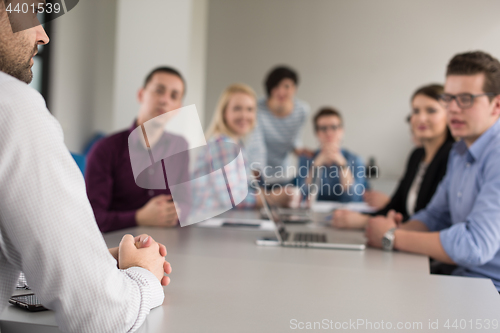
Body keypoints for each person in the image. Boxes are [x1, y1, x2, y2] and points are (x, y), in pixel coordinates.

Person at [0, 3, 171, 332]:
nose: (44, 35)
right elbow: (102, 317)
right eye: (28, 12)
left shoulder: (176, 151)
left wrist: (88, 262)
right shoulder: (13, 106)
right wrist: (145, 274)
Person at [366, 51, 500, 291]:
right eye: (449, 98)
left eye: (466, 99)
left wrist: (391, 237)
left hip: (490, 291)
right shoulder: (459, 152)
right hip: (458, 279)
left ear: (496, 105)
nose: (454, 109)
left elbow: (475, 246)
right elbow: (434, 216)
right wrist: (397, 229)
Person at [333, 84, 455, 229]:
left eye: (431, 110)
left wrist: (364, 222)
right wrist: (359, 217)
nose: (421, 118)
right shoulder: (416, 156)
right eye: (416, 111)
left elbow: (432, 220)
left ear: (449, 115)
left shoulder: (453, 156)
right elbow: (395, 207)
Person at [85, 67, 188, 232]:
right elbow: (92, 218)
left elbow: (186, 202)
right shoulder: (105, 149)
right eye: (159, 91)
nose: (165, 100)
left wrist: (178, 212)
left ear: (178, 108)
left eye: (173, 96)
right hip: (119, 245)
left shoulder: (180, 146)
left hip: (169, 242)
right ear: (141, 95)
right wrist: (139, 217)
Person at [247, 65, 312, 185]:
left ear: (294, 88)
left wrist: (301, 151)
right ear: (270, 88)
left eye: (286, 86)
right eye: (276, 86)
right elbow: (257, 144)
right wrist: (258, 178)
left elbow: (295, 139)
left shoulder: (302, 110)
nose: (281, 91)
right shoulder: (257, 108)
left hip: (282, 172)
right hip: (256, 172)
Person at [296, 107, 369, 203]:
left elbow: (354, 198)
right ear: (317, 133)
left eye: (334, 127)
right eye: (323, 128)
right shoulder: (306, 159)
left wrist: (342, 165)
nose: (329, 133)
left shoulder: (355, 160)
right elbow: (302, 197)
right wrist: (316, 165)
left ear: (342, 130)